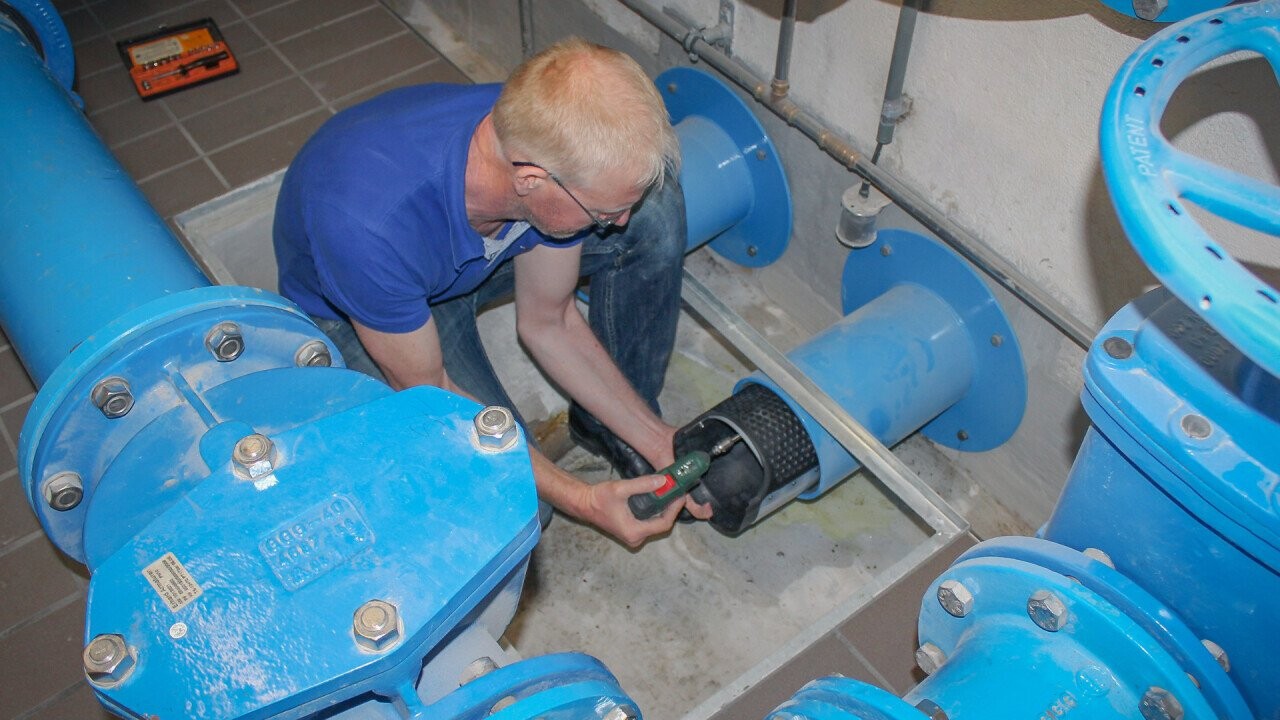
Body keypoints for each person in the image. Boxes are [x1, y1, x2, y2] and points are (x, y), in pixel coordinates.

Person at [273, 37, 711, 547]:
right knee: (519, 505)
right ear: (530, 179)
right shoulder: (368, 228)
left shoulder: (543, 139)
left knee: (654, 213)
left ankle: (615, 425)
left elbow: (549, 320)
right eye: (602, 213)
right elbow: (430, 390)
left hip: (465, 249)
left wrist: (660, 442)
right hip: (361, 309)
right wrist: (584, 500)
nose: (616, 223)